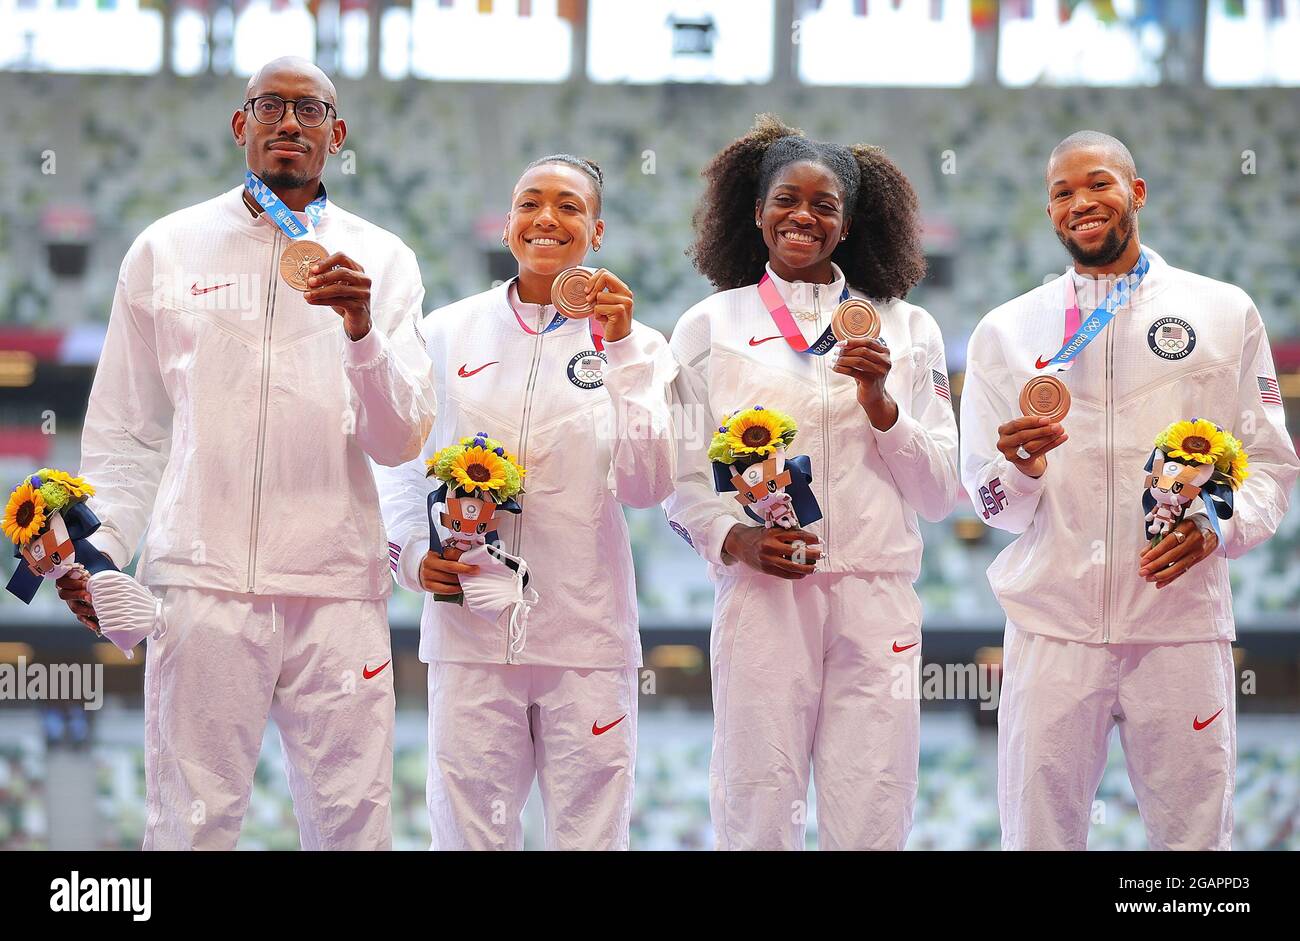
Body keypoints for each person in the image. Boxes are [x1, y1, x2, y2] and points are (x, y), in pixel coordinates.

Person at [56, 57, 435, 850]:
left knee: (353, 826)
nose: (288, 123)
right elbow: (128, 431)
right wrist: (100, 552)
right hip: (201, 582)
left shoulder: (385, 261)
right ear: (241, 125)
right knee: (190, 824)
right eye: (270, 106)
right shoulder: (166, 249)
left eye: (309, 109)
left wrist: (363, 333)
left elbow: (400, 438)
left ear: (338, 133)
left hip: (336, 589)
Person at [960, 130, 1299, 850]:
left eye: (1099, 183)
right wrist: (1017, 470)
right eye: (1062, 192)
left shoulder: (1223, 312)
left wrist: (1222, 523)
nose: (1081, 201)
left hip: (1179, 623)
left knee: (1195, 852)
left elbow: (1270, 463)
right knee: (1038, 841)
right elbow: (989, 504)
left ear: (1135, 192)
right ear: (1051, 212)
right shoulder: (1007, 332)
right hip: (1052, 630)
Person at [664, 115, 960, 850]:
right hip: (764, 594)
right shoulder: (707, 326)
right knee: (755, 803)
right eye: (786, 200)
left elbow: (939, 491)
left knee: (874, 809)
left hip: (878, 594)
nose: (804, 216)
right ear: (757, 212)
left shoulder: (909, 328)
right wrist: (733, 535)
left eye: (824, 205)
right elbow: (676, 474)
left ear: (849, 222)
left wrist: (884, 407)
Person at [375, 154, 676, 850]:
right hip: (469, 634)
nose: (548, 217)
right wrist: (413, 554)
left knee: (591, 835)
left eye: (569, 206)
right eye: (530, 203)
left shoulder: (642, 347)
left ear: (596, 230)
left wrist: (625, 351)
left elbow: (647, 484)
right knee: (468, 833)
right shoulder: (446, 332)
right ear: (508, 223)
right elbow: (398, 456)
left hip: (586, 635)